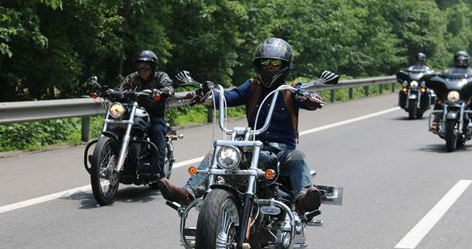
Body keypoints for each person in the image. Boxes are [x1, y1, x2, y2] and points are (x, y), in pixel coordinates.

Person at [158, 37, 323, 214]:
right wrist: (205, 97)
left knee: (297, 156)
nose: (268, 66)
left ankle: (303, 199)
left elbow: (307, 101)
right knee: (218, 151)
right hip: (251, 148)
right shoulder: (252, 86)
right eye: (264, 62)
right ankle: (188, 193)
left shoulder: (292, 89)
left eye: (274, 62)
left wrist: (311, 98)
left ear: (284, 65)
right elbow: (228, 96)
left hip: (282, 152)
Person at [119, 50, 174, 178]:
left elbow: (169, 87)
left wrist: (163, 91)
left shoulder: (161, 76)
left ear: (153, 67)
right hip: (133, 114)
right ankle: (108, 154)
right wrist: (112, 92)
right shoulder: (132, 78)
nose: (142, 69)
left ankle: (158, 170)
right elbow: (121, 88)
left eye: (146, 66)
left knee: (157, 131)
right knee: (118, 127)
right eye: (140, 66)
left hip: (154, 114)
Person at [430, 50, 472, 132]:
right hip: (452, 94)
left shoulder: (470, 73)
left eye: (463, 61)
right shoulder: (449, 72)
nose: (461, 63)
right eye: (458, 61)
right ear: (455, 61)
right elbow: (442, 77)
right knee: (439, 101)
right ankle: (435, 121)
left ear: (467, 62)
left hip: (463, 96)